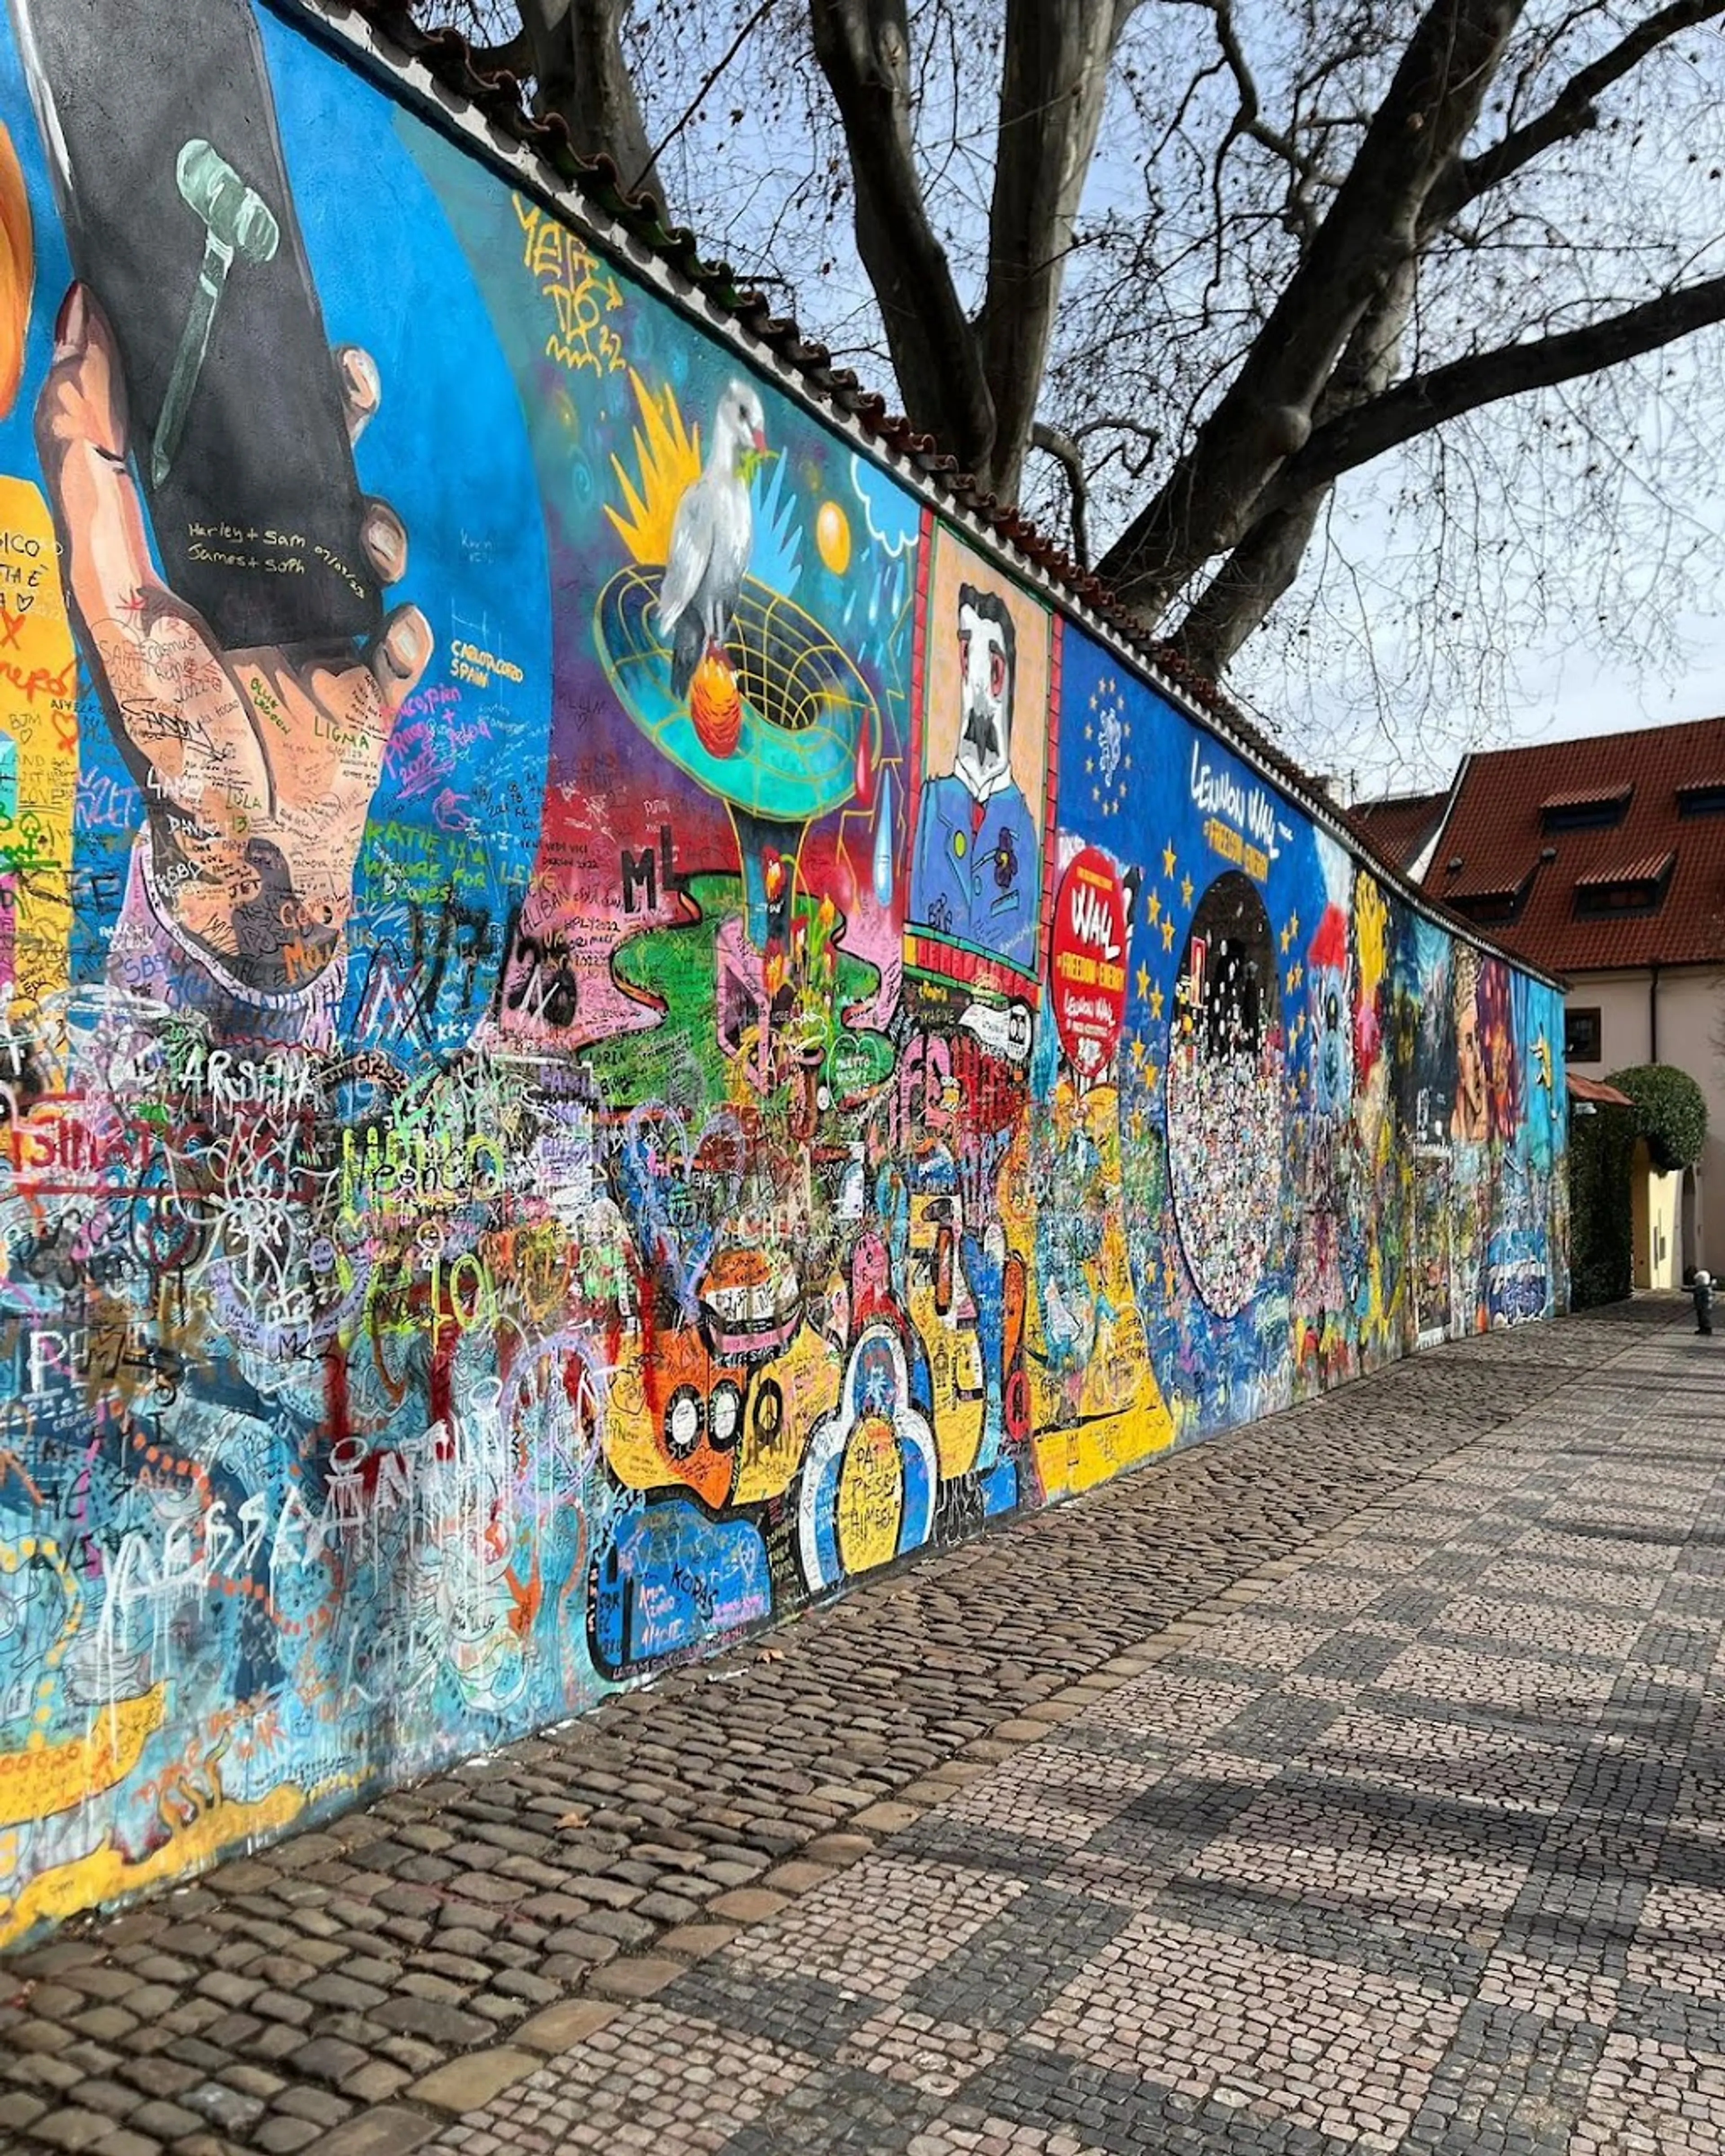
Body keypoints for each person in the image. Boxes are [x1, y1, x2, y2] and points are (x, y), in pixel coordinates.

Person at [911, 582, 1039, 972]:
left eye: (970, 653)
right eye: (962, 650)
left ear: (998, 671)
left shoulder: (1023, 829)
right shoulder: (932, 805)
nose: (963, 669)